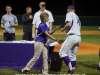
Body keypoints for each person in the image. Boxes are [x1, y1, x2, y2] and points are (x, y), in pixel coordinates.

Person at [59, 5, 81, 74]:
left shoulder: (69, 14)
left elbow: (69, 24)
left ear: (68, 10)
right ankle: (72, 70)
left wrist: (62, 29)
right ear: (74, 10)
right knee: (73, 55)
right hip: (78, 37)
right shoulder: (77, 17)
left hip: (72, 37)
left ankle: (70, 69)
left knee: (62, 53)